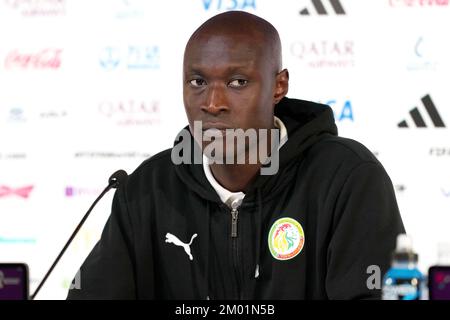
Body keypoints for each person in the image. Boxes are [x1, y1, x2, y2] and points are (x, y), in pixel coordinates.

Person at [67, 11, 405, 300]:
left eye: (238, 82)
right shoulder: (146, 188)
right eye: (197, 81)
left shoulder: (347, 177)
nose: (213, 103)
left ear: (279, 86)